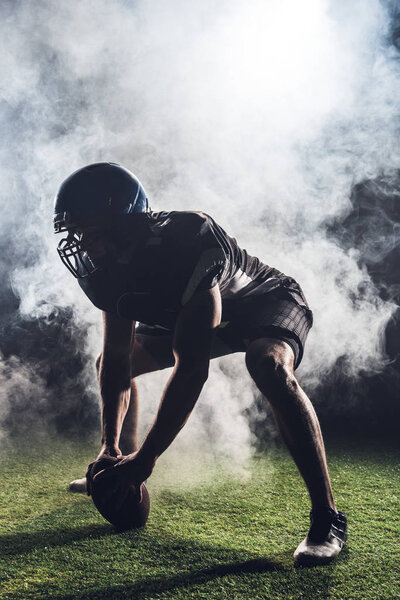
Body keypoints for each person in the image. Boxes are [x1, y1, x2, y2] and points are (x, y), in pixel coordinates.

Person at [53, 162, 347, 565]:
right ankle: (123, 463)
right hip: (194, 312)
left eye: (91, 230)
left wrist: (149, 459)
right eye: (76, 232)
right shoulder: (105, 272)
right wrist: (111, 450)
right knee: (110, 361)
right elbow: (118, 360)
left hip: (263, 301)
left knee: (268, 365)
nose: (82, 243)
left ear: (124, 223)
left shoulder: (187, 239)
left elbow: (191, 368)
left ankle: (327, 518)